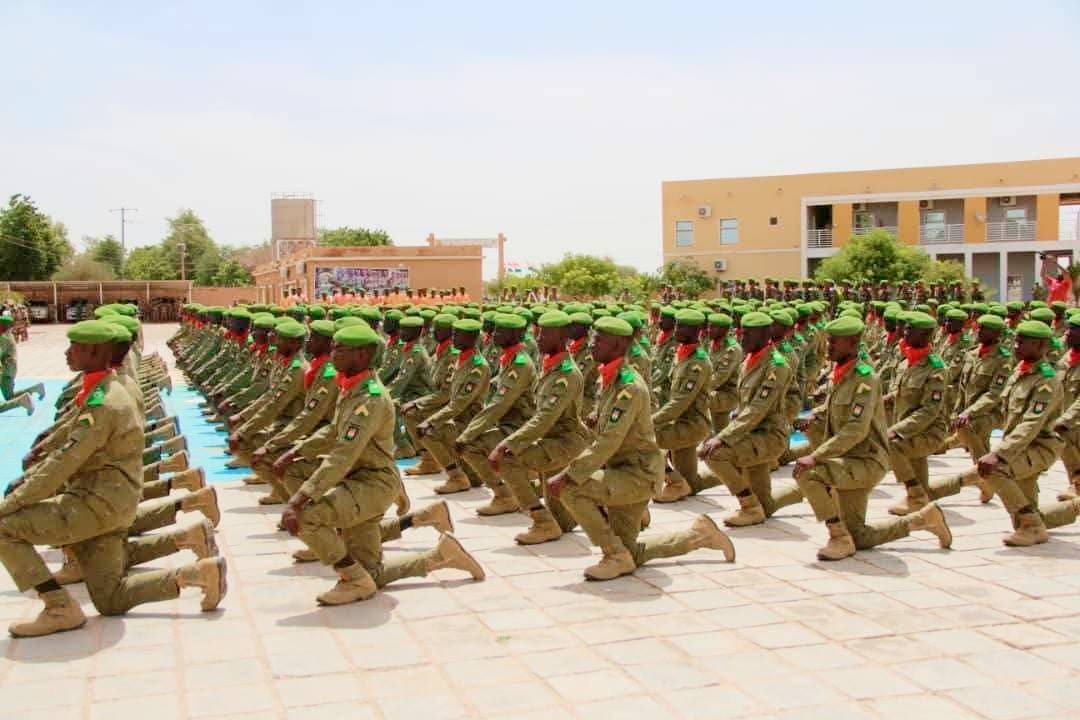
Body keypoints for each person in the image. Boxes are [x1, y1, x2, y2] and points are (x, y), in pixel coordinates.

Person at [0, 320, 225, 637]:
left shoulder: (104, 402)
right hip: (113, 502)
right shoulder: (107, 391)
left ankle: (58, 606)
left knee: (6, 528)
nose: (68, 354)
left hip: (96, 505)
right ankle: (197, 574)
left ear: (94, 352)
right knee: (110, 598)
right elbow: (65, 446)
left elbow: (63, 463)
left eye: (75, 348)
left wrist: (12, 503)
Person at [279, 323, 483, 604]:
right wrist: (298, 449)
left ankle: (351, 580)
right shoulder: (352, 388)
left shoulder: (370, 399)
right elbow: (334, 431)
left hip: (370, 484)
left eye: (341, 349)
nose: (333, 353)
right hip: (363, 480)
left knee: (307, 516)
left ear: (362, 355)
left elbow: (343, 454)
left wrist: (301, 497)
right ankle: (440, 556)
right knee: (371, 575)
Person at [546, 316, 735, 581]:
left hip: (636, 475)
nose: (592, 345)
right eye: (593, 338)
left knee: (571, 488)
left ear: (619, 344)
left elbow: (608, 440)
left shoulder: (629, 386)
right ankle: (699, 536)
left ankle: (613, 555)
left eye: (599, 340)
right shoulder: (610, 377)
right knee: (630, 552)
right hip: (624, 471)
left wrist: (569, 473)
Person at [792, 316, 951, 561]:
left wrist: (816, 456)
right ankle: (923, 520)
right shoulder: (844, 373)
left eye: (834, 342)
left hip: (866, 461)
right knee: (860, 536)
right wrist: (814, 415)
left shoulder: (865, 378)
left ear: (853, 342)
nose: (829, 346)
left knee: (808, 473)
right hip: (850, 459)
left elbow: (855, 429)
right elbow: (834, 406)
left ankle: (838, 537)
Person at [969, 320, 1080, 546]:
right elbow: (1008, 414)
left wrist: (1000, 453)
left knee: (997, 470)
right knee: (1024, 513)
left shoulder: (1047, 380)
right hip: (1021, 445)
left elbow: (1031, 422)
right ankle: (1066, 511)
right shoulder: (1019, 373)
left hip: (1040, 447)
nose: (1015, 346)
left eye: (1022, 342)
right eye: (1016, 340)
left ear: (1040, 346)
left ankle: (1033, 527)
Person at [697, 311, 801, 524]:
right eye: (741, 333)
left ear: (764, 334)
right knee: (766, 506)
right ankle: (804, 491)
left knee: (715, 454)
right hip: (751, 434)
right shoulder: (750, 360)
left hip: (768, 436)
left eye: (748, 335)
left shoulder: (776, 366)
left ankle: (748, 506)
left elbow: (756, 409)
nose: (742, 339)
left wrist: (723, 437)